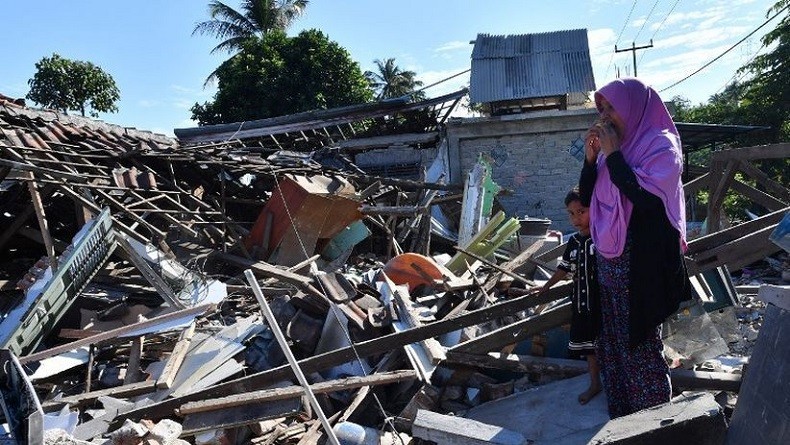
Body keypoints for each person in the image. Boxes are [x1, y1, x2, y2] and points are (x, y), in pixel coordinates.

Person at [580, 77, 692, 418]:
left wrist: (613, 156)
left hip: (642, 262)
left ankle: (656, 422)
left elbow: (644, 199)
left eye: (612, 106)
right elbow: (587, 198)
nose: (606, 115)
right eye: (602, 109)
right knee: (613, 342)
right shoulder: (614, 150)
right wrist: (590, 159)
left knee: (640, 341)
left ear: (632, 106)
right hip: (611, 259)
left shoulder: (661, 147)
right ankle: (625, 417)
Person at [537, 187, 601, 405]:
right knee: (589, 348)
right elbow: (563, 269)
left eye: (581, 211)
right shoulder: (573, 242)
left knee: (607, 343)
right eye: (571, 213)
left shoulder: (604, 237)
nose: (576, 218)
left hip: (602, 305)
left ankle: (618, 382)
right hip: (582, 304)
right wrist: (545, 287)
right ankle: (595, 383)